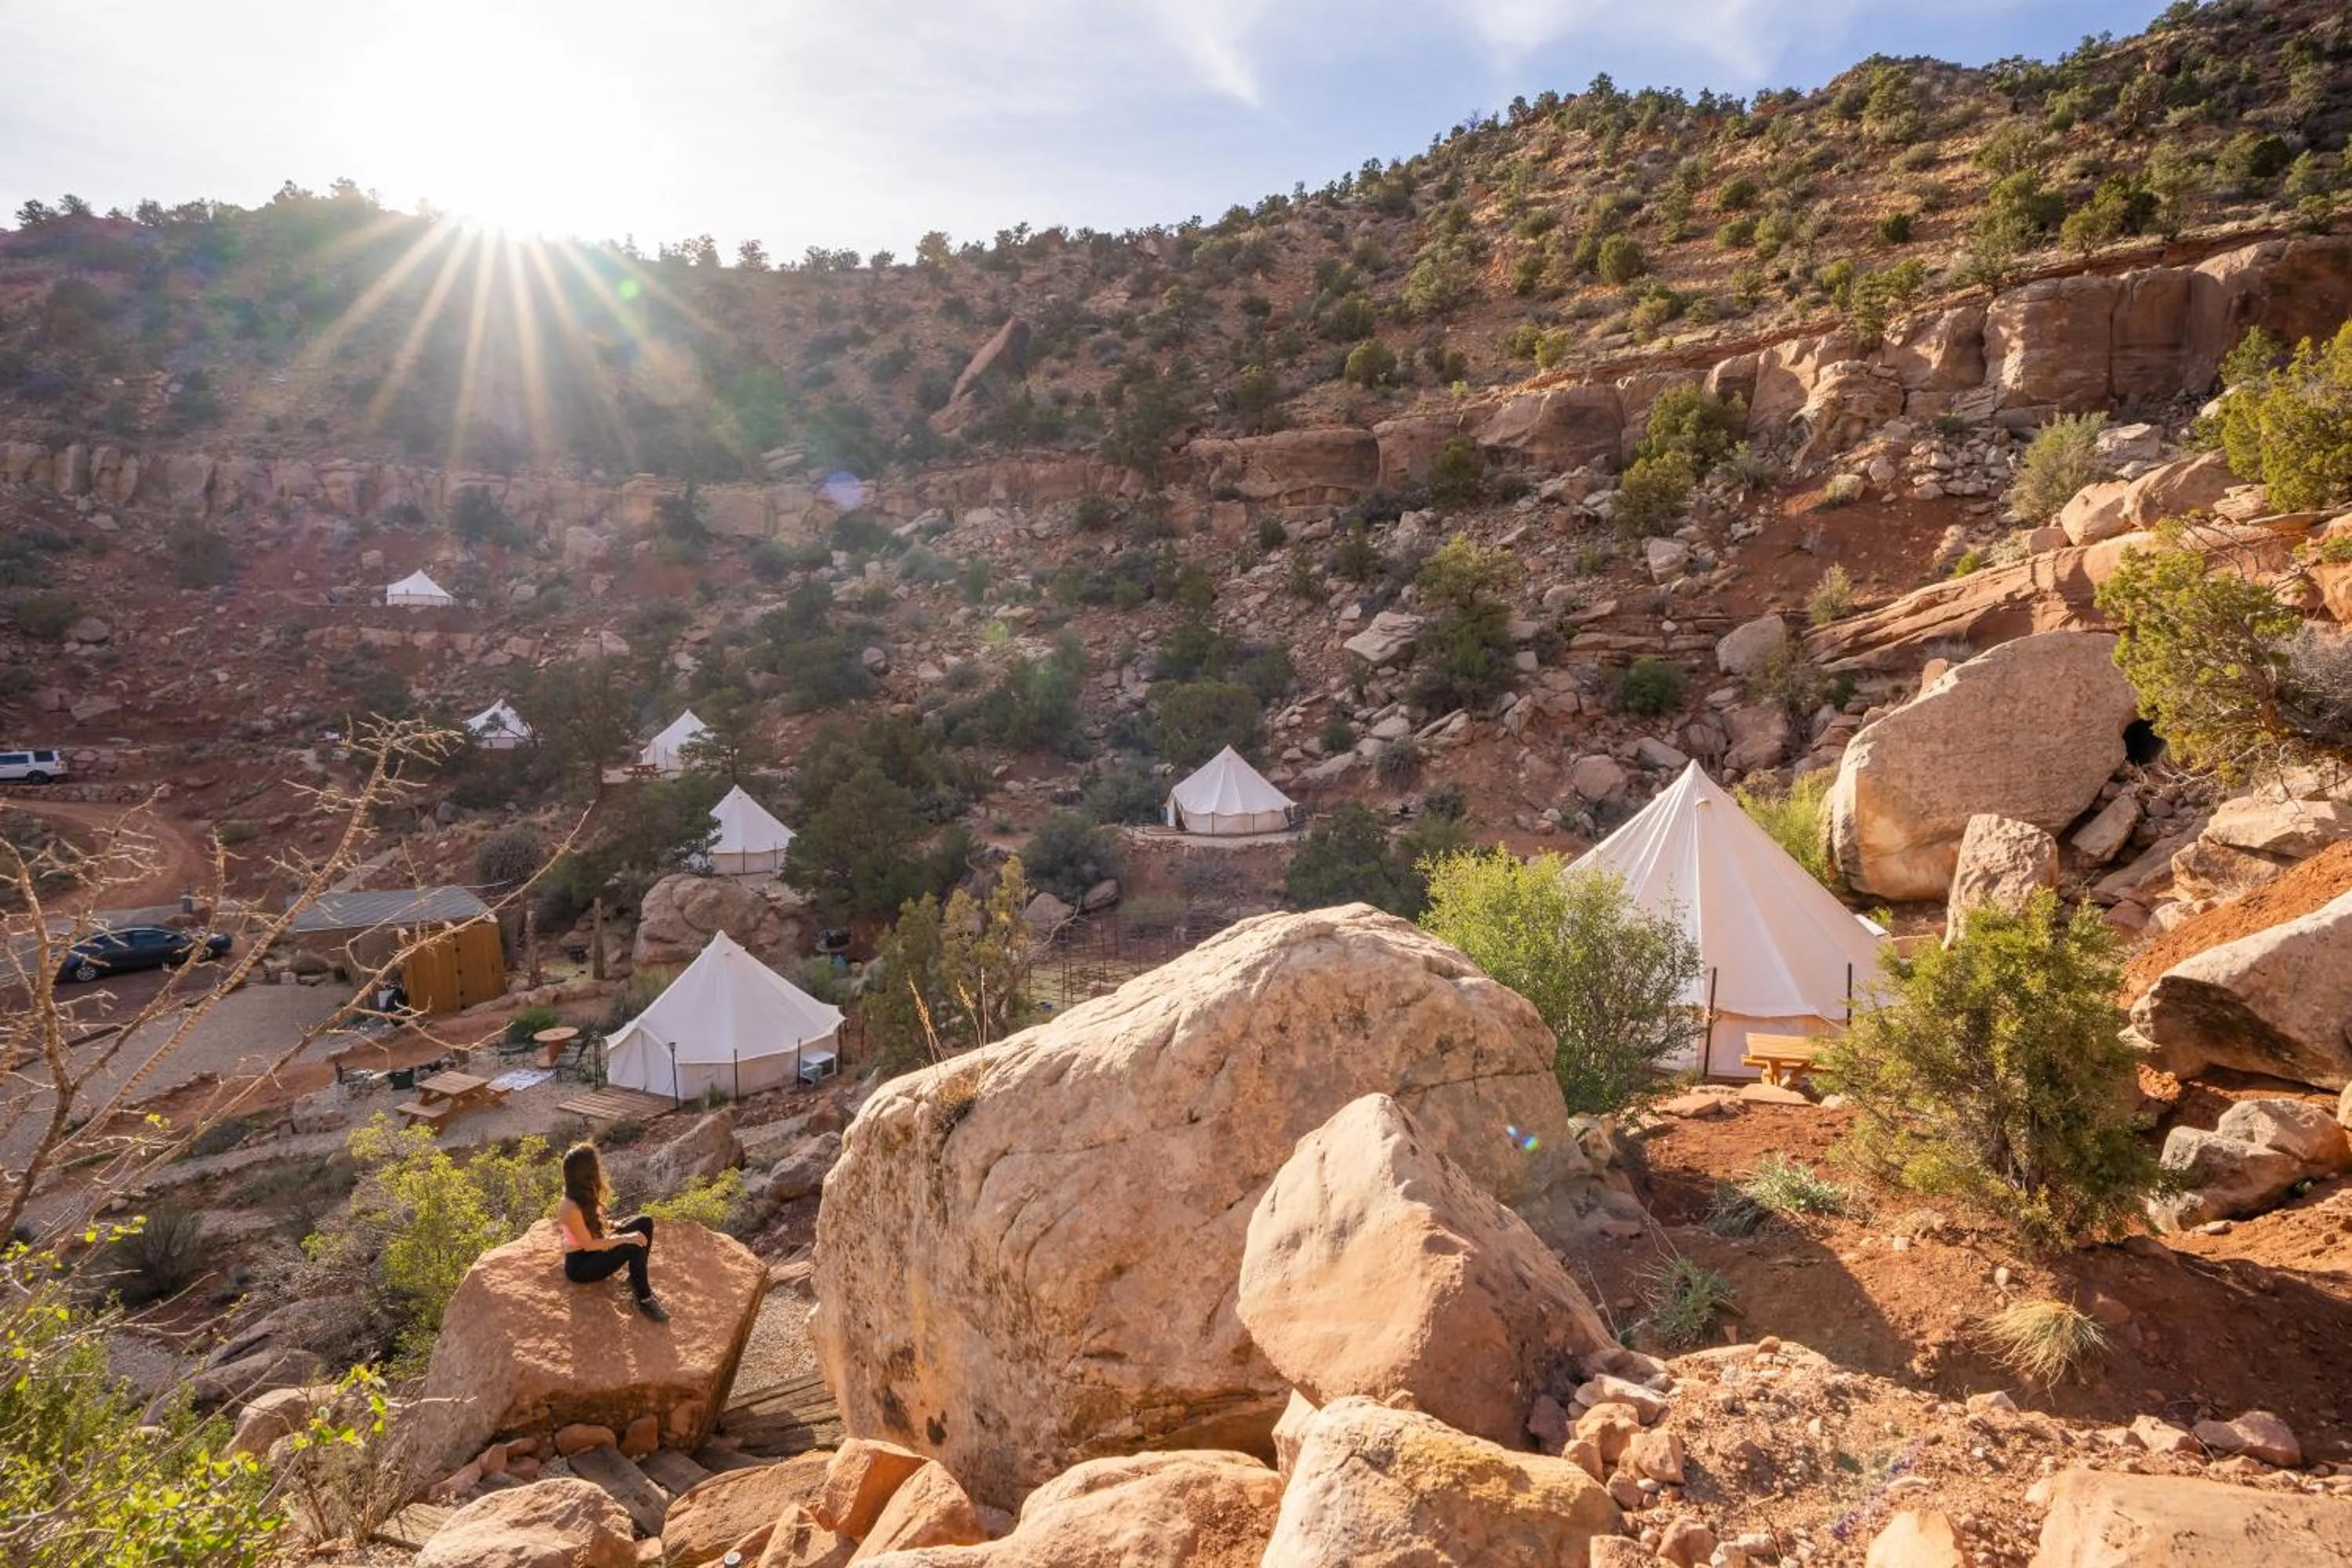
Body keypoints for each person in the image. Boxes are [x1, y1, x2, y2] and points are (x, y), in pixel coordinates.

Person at [557, 1143, 669, 1322]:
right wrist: (624, 1237)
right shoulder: (569, 1207)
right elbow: (588, 1245)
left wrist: (614, 1225)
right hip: (581, 1266)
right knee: (632, 1245)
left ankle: (635, 1278)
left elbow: (594, 1223)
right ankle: (643, 1298)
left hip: (595, 1250)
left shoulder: (584, 1192)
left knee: (645, 1222)